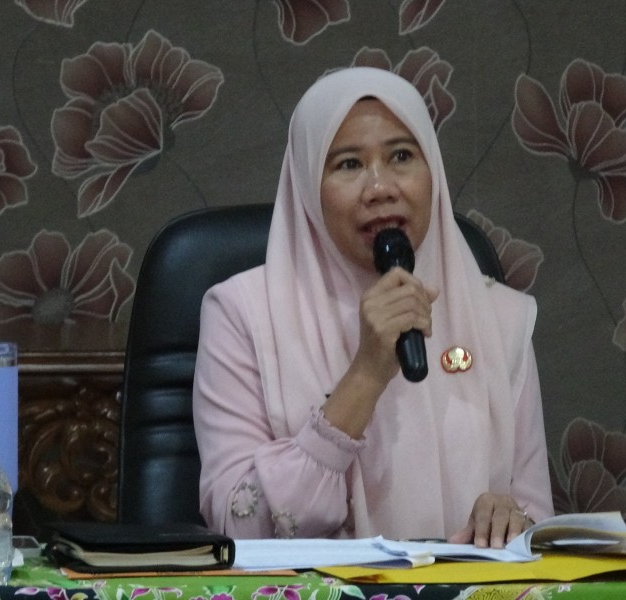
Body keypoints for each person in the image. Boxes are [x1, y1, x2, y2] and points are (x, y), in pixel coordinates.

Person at [193, 67, 553, 548]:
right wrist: (364, 375)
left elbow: (538, 528)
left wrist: (512, 520)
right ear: (307, 188)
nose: (380, 187)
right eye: (348, 164)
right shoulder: (243, 314)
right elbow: (236, 528)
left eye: (401, 156)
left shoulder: (500, 318)